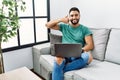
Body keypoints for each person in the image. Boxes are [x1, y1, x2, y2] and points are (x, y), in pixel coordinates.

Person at [45, 7, 94, 80]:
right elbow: (47, 25)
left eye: (76, 15)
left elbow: (90, 45)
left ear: (79, 16)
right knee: (58, 59)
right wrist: (61, 19)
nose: (74, 17)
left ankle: (58, 70)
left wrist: (81, 49)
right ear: (68, 17)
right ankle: (58, 70)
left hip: (77, 54)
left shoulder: (84, 29)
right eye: (72, 15)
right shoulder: (64, 27)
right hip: (65, 54)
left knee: (88, 57)